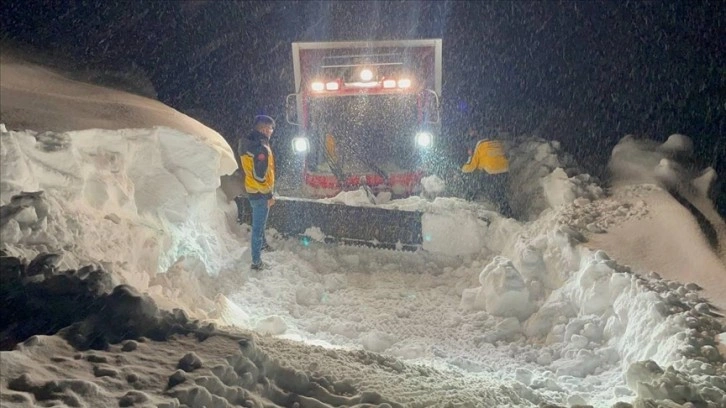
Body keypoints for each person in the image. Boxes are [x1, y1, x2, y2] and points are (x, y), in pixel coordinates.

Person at [240, 115, 276, 270]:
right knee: (258, 227)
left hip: (253, 189)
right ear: (263, 129)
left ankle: (262, 245)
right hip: (260, 193)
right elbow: (260, 176)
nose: (271, 132)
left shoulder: (249, 143)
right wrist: (268, 194)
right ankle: (256, 262)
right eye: (270, 128)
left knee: (260, 224)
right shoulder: (260, 147)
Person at [461, 128, 513, 217]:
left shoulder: (480, 144)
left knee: (477, 185)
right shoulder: (498, 143)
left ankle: (470, 201)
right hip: (504, 171)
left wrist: (462, 169)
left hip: (491, 172)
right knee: (500, 193)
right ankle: (507, 212)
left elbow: (472, 166)